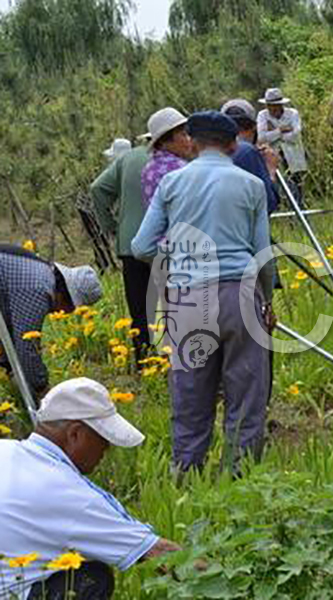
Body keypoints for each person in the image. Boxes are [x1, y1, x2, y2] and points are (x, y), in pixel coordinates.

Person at [132, 111, 276, 473]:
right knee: (246, 395)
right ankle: (241, 479)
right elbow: (262, 255)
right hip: (240, 295)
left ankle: (185, 476)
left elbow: (141, 246)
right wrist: (268, 301)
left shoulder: (173, 184)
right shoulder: (250, 185)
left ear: (193, 142)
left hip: (187, 299)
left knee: (191, 395)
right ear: (232, 144)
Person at [0, 378, 181, 600]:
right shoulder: (67, 492)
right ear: (75, 434)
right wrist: (221, 577)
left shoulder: (5, 450)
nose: (107, 449)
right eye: (103, 439)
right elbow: (156, 553)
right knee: (92, 577)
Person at [0, 247, 101, 396]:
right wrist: (42, 389)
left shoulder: (42, 272)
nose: (67, 312)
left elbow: (9, 330)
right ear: (65, 294)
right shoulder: (38, 290)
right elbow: (26, 346)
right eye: (71, 307)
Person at [91, 139, 152, 363]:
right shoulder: (179, 159)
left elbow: (97, 189)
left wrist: (111, 226)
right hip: (168, 244)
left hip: (130, 243)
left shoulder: (129, 158)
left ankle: (143, 358)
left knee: (139, 307)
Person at [221, 98, 280, 214]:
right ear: (253, 128)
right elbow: (267, 204)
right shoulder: (246, 151)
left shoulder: (206, 152)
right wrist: (270, 170)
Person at [256, 88, 308, 207]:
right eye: (269, 105)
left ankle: (298, 213)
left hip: (293, 155)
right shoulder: (262, 116)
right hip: (274, 156)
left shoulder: (292, 113)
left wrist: (273, 131)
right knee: (278, 186)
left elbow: (296, 135)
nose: (272, 108)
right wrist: (281, 130)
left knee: (297, 185)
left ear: (281, 105)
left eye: (275, 105)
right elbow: (261, 138)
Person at [140, 107, 194, 208]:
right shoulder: (180, 168)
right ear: (166, 141)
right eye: (183, 135)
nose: (188, 140)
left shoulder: (149, 168)